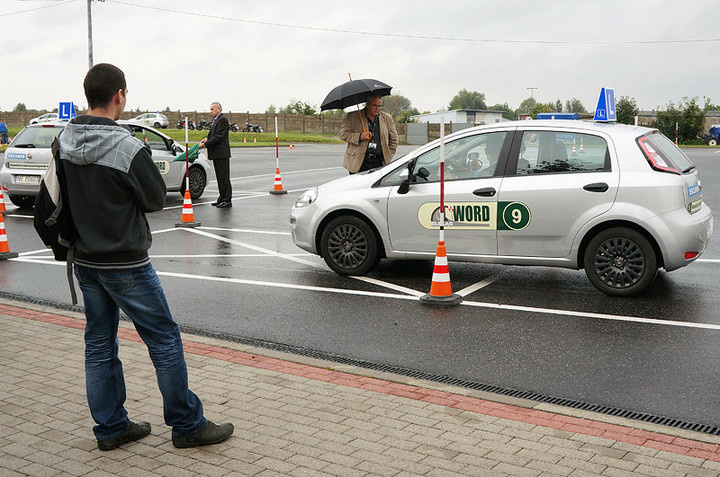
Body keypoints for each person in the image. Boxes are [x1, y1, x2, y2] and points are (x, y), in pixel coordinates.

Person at [56, 63, 234, 451]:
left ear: (89, 95)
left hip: (85, 261)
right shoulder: (127, 146)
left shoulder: (63, 141)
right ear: (119, 94)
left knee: (99, 344)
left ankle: (111, 428)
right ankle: (187, 425)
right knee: (164, 340)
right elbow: (155, 199)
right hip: (126, 263)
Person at [339, 93, 398, 174]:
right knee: (358, 186)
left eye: (380, 106)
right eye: (375, 106)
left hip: (379, 162)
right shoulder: (353, 116)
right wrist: (359, 136)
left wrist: (389, 154)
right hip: (358, 162)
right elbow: (343, 134)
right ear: (367, 104)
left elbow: (394, 139)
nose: (378, 109)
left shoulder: (387, 118)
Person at [199, 102, 232, 207]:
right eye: (210, 109)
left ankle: (227, 199)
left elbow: (219, 136)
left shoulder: (222, 120)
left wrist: (205, 145)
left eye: (213, 109)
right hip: (217, 154)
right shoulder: (216, 120)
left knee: (224, 177)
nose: (211, 111)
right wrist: (207, 138)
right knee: (219, 177)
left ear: (219, 109)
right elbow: (214, 134)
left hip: (221, 153)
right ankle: (221, 198)